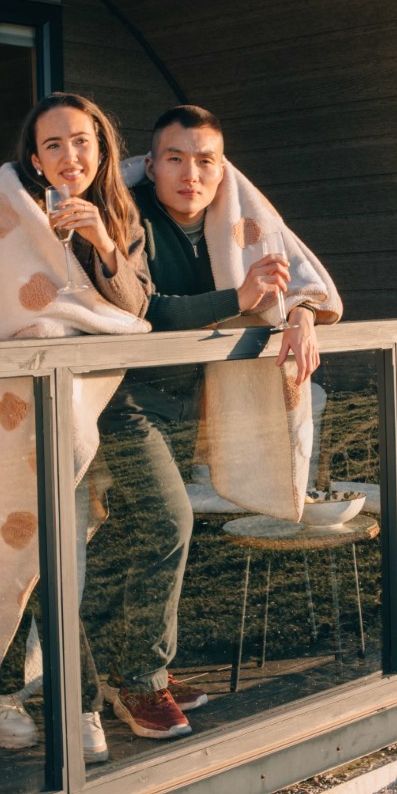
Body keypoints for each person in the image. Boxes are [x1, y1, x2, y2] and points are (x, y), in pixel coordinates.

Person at [84, 104, 338, 741]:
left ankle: (118, 672)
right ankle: (141, 680)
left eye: (206, 161)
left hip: (174, 399)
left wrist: (300, 314)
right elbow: (148, 310)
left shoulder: (232, 218)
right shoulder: (128, 213)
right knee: (171, 519)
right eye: (174, 158)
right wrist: (238, 300)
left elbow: (297, 278)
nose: (190, 174)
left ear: (223, 170)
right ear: (152, 162)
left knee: (138, 536)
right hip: (117, 394)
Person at [0, 92, 149, 766]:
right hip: (12, 409)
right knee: (19, 550)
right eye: (53, 145)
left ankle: (66, 690)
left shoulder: (117, 213)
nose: (69, 156)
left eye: (82, 141)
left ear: (101, 148)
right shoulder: (7, 207)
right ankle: (44, 698)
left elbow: (135, 309)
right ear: (33, 158)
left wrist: (100, 241)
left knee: (61, 554)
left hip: (92, 409)